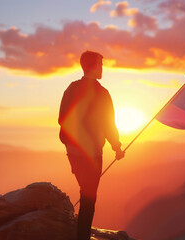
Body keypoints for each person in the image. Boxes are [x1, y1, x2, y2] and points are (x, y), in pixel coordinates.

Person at [58, 50, 125, 240]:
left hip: (72, 151)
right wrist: (117, 147)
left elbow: (62, 118)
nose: (102, 68)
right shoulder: (102, 93)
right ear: (94, 67)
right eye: (101, 65)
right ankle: (82, 236)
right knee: (89, 198)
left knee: (86, 190)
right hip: (93, 153)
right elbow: (109, 125)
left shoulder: (71, 88)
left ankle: (81, 230)